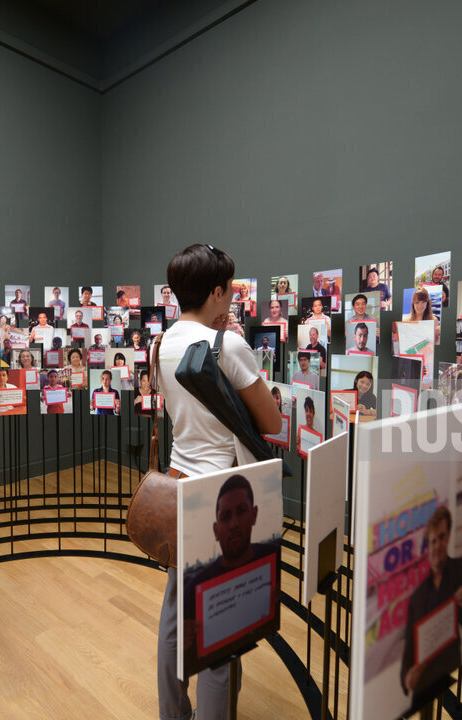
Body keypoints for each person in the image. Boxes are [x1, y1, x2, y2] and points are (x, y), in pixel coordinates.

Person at [156, 244, 280, 720]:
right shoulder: (227, 345)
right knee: (220, 630)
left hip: (179, 480)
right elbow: (270, 421)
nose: (232, 295)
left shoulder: (163, 342)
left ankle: (174, 713)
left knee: (176, 608)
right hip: (223, 490)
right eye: (229, 288)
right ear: (215, 292)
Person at [181, 474, 278, 672]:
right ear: (216, 530)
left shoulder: (273, 556)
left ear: (254, 514)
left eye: (241, 511)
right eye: (226, 516)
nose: (234, 524)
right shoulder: (192, 590)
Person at [400, 506, 462, 708]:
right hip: (423, 681)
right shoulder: (416, 597)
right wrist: (406, 679)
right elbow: (409, 649)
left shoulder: (460, 569)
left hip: (449, 671)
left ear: (448, 536)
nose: (438, 545)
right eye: (433, 541)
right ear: (428, 545)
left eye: (442, 537)